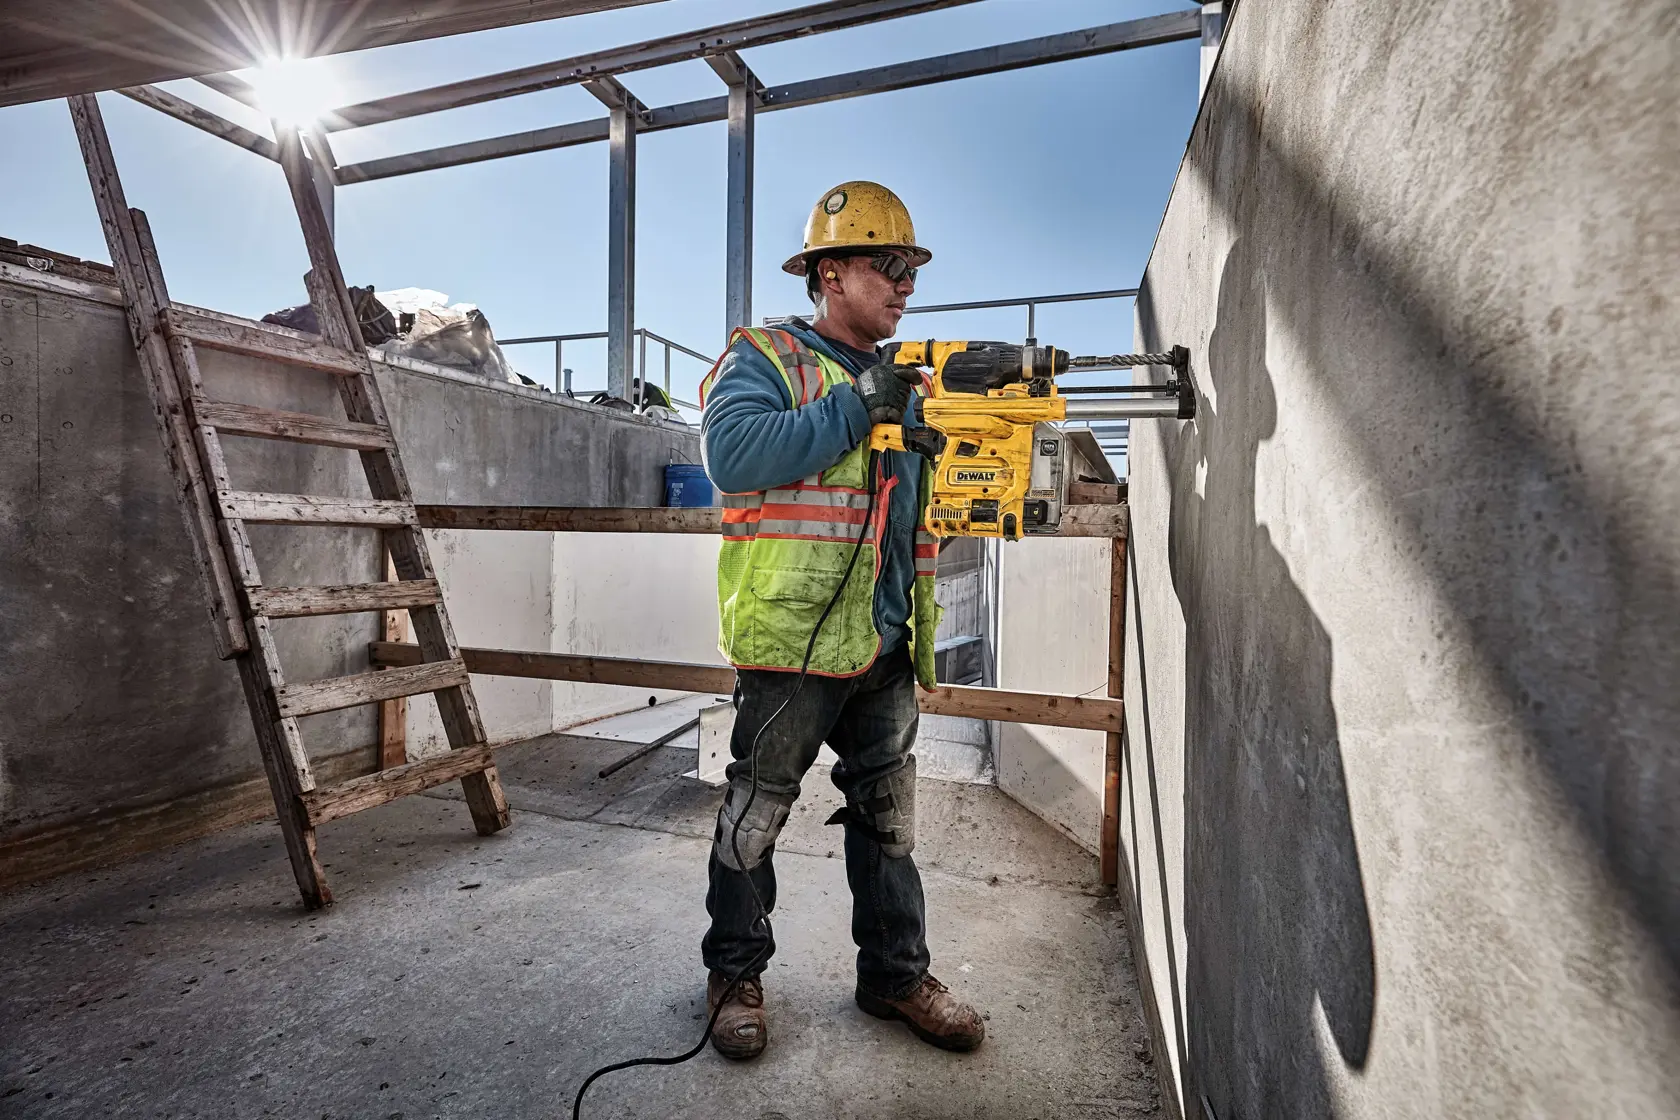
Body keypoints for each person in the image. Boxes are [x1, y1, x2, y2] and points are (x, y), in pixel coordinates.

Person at [695, 181, 986, 1061]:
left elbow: (900, 513)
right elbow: (734, 454)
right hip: (793, 645)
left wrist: (938, 449)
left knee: (889, 819)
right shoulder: (768, 357)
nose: (906, 285)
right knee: (756, 812)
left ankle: (894, 976)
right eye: (888, 266)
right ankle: (733, 973)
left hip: (886, 642)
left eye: (910, 270)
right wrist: (862, 404)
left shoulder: (908, 385)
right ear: (831, 272)